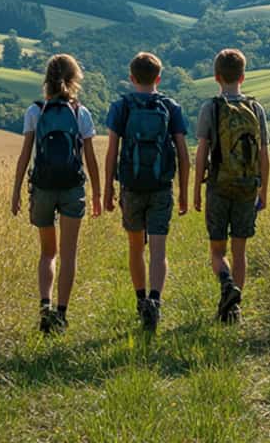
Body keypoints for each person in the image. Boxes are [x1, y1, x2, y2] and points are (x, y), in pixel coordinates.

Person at [11, 54, 101, 334]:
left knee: (47, 253)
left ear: (46, 79)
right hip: (73, 188)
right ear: (75, 79)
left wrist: (15, 191)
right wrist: (97, 192)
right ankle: (61, 315)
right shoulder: (80, 113)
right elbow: (90, 158)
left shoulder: (35, 111)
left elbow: (25, 155)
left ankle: (44, 307)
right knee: (69, 253)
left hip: (43, 188)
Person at [103, 52, 190, 332]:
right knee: (159, 248)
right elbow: (183, 154)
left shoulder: (121, 107)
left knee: (135, 246)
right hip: (161, 185)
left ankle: (141, 301)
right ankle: (155, 300)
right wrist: (185, 192)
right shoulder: (170, 106)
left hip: (131, 186)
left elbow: (112, 152)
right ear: (159, 78)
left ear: (131, 78)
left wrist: (107, 188)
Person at [193, 48, 270, 324]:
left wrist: (195, 191)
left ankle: (226, 284)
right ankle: (234, 309)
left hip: (218, 185)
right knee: (240, 251)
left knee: (217, 251)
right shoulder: (255, 108)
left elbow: (202, 152)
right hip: (248, 186)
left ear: (216, 77)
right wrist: (264, 190)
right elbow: (263, 153)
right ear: (243, 76)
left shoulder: (211, 108)